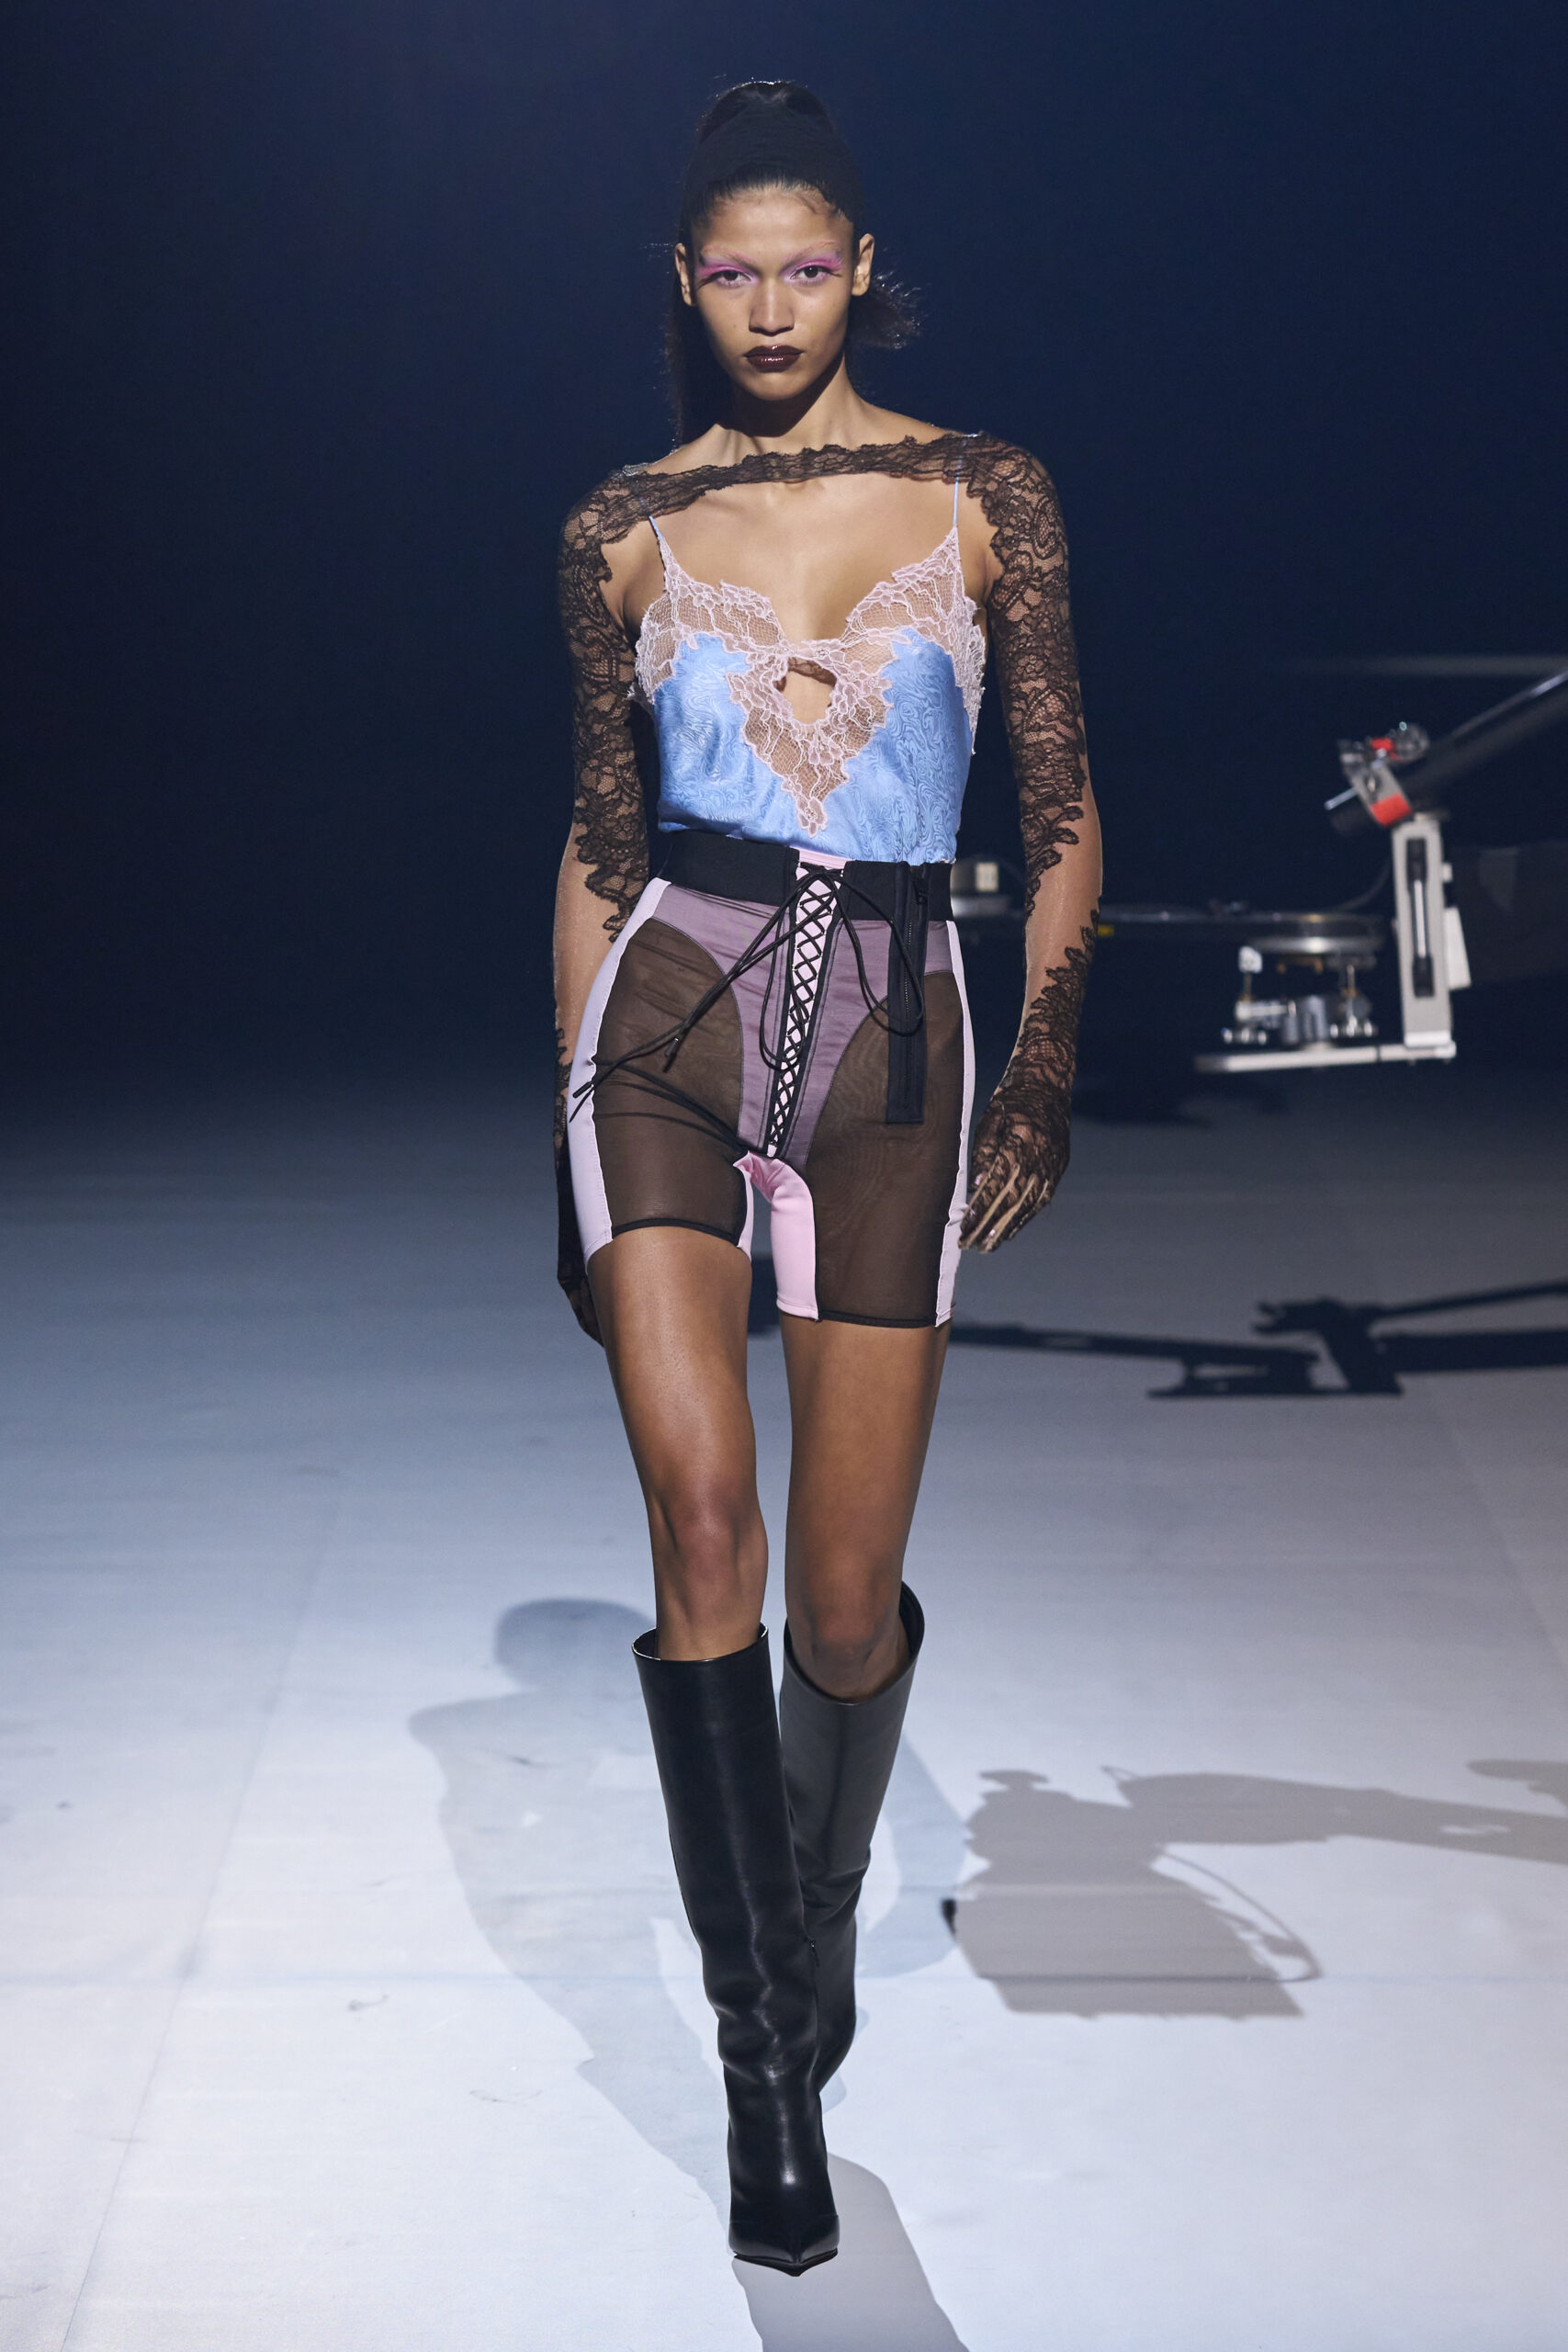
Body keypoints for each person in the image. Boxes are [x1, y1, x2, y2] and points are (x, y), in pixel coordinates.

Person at [553, 80, 1101, 2273]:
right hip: (666, 1027)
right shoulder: (616, 526)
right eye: (732, 270)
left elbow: (1056, 814)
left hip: (896, 1035)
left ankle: (814, 1897)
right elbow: (602, 843)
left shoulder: (983, 494)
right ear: (682, 283)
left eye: (806, 266)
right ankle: (761, 2065)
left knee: (844, 1603)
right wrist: (564, 1119)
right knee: (704, 1521)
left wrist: (1039, 1061)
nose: (771, 306)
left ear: (859, 268)